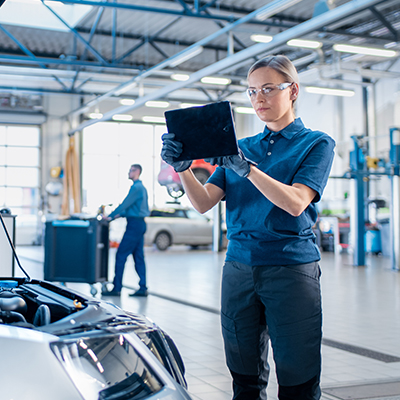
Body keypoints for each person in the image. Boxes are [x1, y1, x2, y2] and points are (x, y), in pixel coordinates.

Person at [161, 55, 335, 400]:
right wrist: (182, 169)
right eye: (253, 91)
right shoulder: (239, 148)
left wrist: (248, 171)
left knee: (298, 379)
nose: (259, 99)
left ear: (293, 90)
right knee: (244, 379)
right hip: (239, 268)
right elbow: (204, 202)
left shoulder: (316, 144)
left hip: (290, 269)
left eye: (269, 89)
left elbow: (296, 202)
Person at [102, 164, 150, 297]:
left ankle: (117, 288)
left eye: (132, 170)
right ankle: (143, 287)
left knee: (121, 255)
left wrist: (110, 216)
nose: (129, 172)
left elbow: (125, 204)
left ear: (139, 171)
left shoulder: (136, 188)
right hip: (139, 224)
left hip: (134, 226)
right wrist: (118, 215)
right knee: (138, 257)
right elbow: (131, 209)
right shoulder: (141, 188)